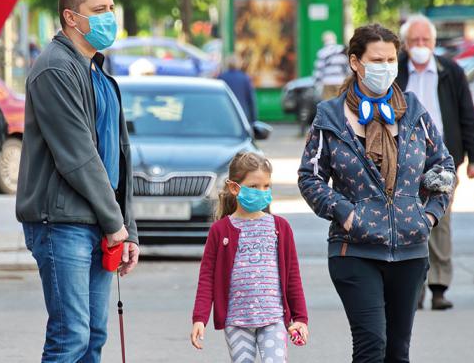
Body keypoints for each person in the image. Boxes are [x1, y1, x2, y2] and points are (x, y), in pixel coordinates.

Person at [298, 24, 456, 362]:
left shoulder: (414, 112)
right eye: (377, 59)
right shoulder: (330, 117)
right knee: (372, 347)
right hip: (354, 249)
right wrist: (346, 213)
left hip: (410, 250)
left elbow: (443, 167)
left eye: (391, 59)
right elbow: (310, 178)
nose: (386, 66)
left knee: (398, 353)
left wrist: (426, 215)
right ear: (356, 62)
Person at [15, 0, 139, 362]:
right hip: (62, 222)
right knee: (70, 335)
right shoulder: (55, 68)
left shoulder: (98, 74)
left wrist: (126, 228)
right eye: (99, 10)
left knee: (94, 335)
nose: (110, 17)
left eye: (110, 8)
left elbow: (118, 158)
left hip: (98, 222)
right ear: (71, 17)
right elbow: (78, 157)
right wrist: (115, 224)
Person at [397, 14, 474, 310]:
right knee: (407, 220)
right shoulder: (396, 70)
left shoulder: (451, 71)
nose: (420, 46)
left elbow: (467, 115)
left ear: (434, 43)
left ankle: (438, 285)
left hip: (443, 158)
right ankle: (413, 286)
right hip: (403, 159)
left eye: (425, 41)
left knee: (441, 220)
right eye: (414, 41)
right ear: (406, 44)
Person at [191, 152, 309, 363]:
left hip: (274, 319)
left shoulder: (280, 227)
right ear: (235, 188)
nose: (262, 192)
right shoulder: (220, 230)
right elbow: (207, 277)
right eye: (254, 187)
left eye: (266, 186)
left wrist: (300, 317)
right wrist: (200, 318)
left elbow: (292, 276)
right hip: (236, 321)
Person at [218, 55, 258, 125]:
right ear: (239, 64)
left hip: (225, 114)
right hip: (242, 115)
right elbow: (251, 100)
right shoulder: (245, 78)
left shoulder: (221, 77)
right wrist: (254, 120)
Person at [313, 31, 350, 101]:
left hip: (327, 83)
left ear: (324, 41)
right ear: (335, 39)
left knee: (328, 106)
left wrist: (317, 85)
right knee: (340, 105)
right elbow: (347, 68)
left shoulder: (322, 52)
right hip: (340, 82)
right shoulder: (341, 50)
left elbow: (318, 71)